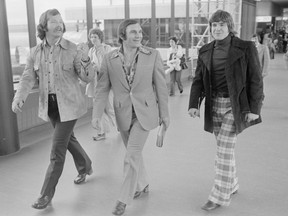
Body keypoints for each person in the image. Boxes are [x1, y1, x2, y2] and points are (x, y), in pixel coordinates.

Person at [11, 9, 95, 209]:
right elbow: (27, 78)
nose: (59, 25)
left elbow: (88, 77)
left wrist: (85, 59)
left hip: (70, 105)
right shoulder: (34, 52)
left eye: (61, 21)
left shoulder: (73, 49)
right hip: (50, 106)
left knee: (57, 149)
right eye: (54, 21)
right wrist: (19, 97)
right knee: (69, 140)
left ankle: (45, 194)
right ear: (44, 26)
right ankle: (86, 166)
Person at [188, 10, 263, 211]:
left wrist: (255, 108)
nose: (217, 28)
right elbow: (197, 81)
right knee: (224, 150)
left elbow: (256, 79)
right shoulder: (205, 50)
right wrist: (194, 104)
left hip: (236, 106)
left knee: (224, 150)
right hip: (214, 104)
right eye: (214, 25)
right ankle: (233, 183)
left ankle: (219, 195)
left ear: (230, 27)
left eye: (222, 24)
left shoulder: (246, 48)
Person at [93, 19, 170, 215]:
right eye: (133, 32)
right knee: (134, 154)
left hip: (145, 113)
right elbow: (102, 89)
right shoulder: (110, 59)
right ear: (122, 36)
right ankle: (142, 184)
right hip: (123, 114)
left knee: (130, 155)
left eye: (140, 32)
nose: (139, 35)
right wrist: (96, 114)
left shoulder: (152, 55)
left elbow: (161, 86)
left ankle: (123, 199)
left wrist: (165, 115)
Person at [85, 28, 116, 141]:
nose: (93, 39)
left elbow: (112, 65)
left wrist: (98, 68)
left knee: (109, 108)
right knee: (99, 109)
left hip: (106, 82)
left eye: (95, 37)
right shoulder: (91, 51)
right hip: (95, 83)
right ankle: (101, 132)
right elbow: (88, 65)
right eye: (91, 37)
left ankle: (122, 126)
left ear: (100, 38)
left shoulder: (107, 49)